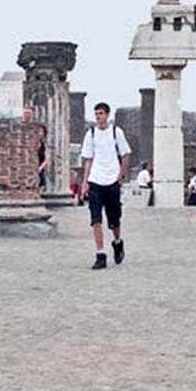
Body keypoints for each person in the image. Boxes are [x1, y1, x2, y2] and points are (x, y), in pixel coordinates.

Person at [80, 102, 132, 270]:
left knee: (114, 219)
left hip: (112, 180)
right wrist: (85, 182)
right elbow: (88, 159)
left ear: (107, 115)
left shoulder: (117, 132)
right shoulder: (91, 134)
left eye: (101, 114)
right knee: (96, 219)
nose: (98, 117)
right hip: (96, 180)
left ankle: (117, 242)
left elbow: (125, 154)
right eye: (96, 114)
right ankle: (100, 253)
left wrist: (120, 175)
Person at [37, 124, 49, 192]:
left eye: (42, 132)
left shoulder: (44, 145)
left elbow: (46, 159)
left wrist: (40, 168)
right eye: (39, 131)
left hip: (39, 171)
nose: (40, 134)